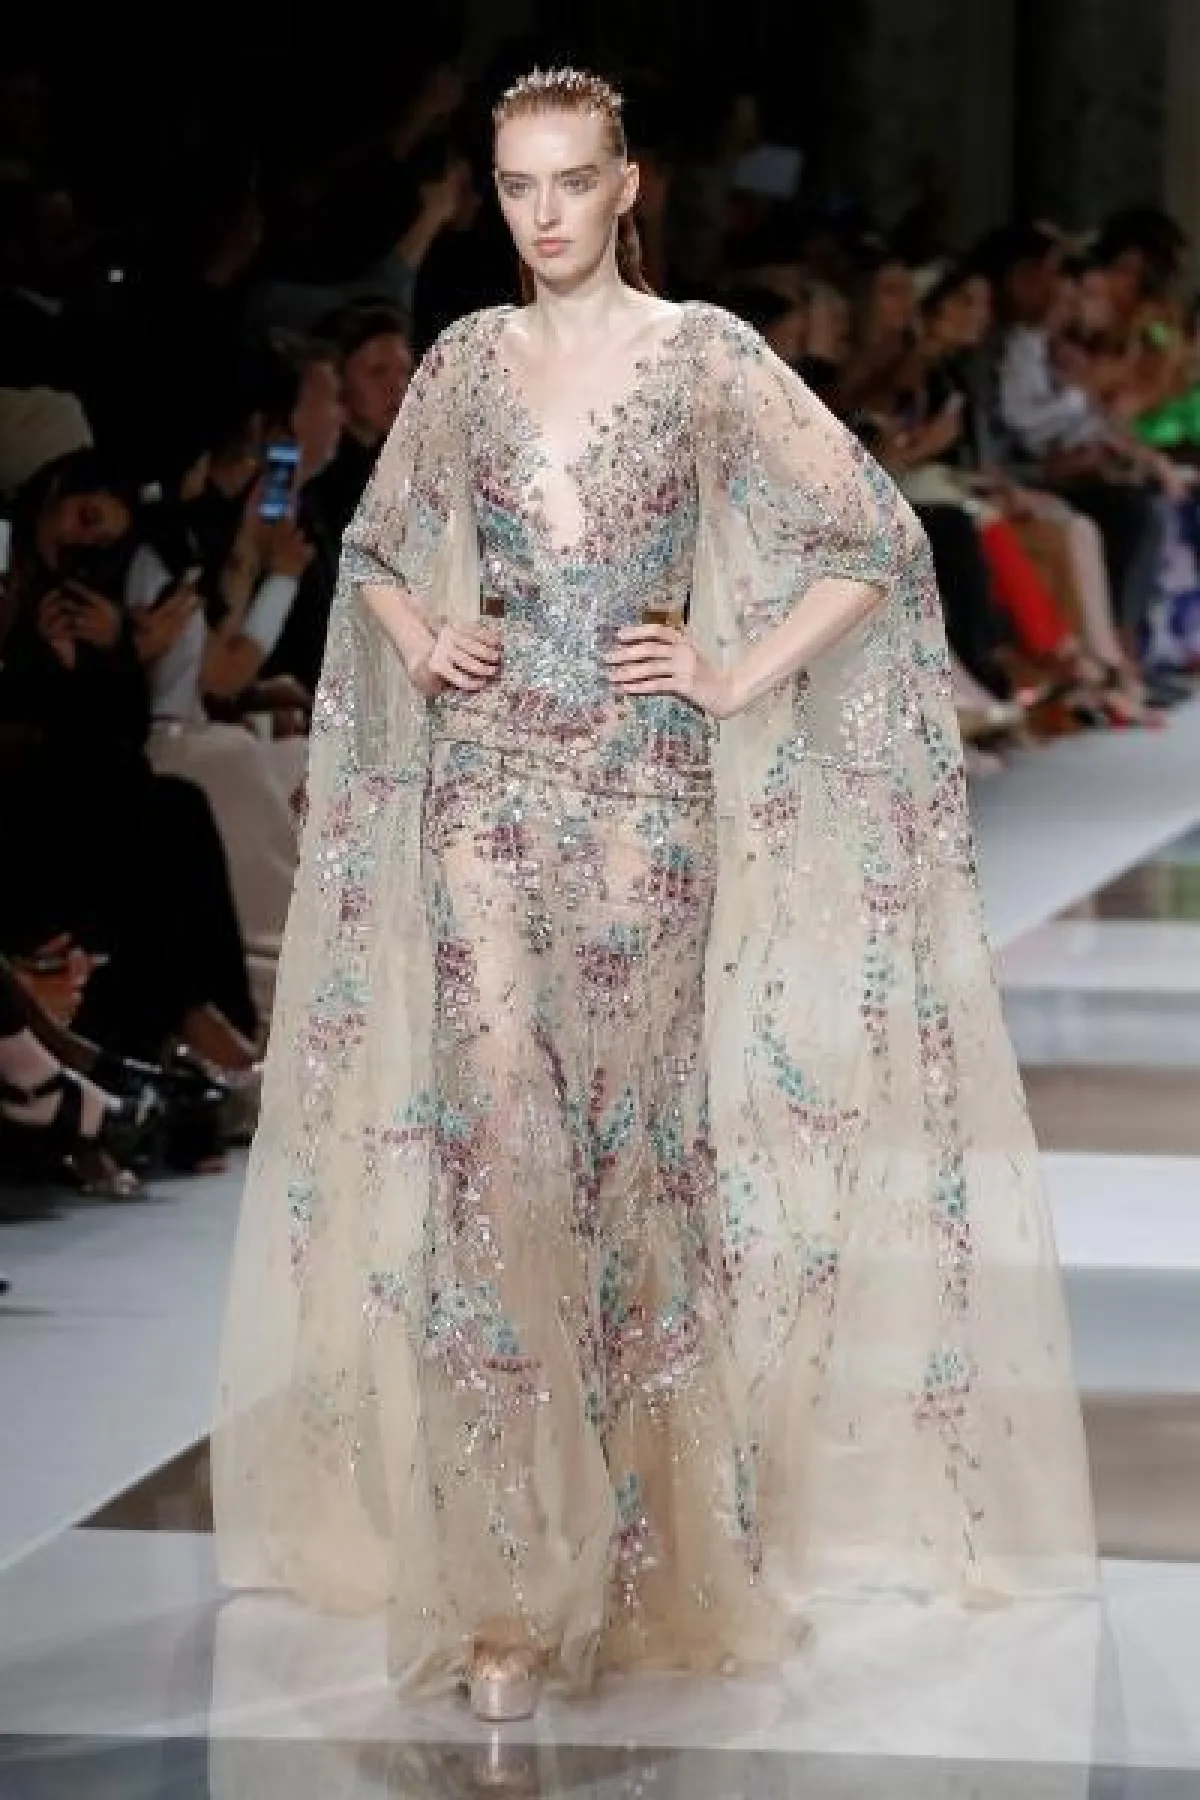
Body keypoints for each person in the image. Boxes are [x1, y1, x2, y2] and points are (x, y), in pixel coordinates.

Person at [213, 68, 1095, 1724]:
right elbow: (377, 549)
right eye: (517, 184)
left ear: (629, 189)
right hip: (482, 796)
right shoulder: (465, 362)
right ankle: (500, 1592)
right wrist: (425, 637)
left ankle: (634, 1558)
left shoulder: (707, 357)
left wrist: (735, 673)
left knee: (624, 1170)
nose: (544, 213)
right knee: (496, 1155)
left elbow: (875, 539)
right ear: (495, 194)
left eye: (572, 181)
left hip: (644, 806)